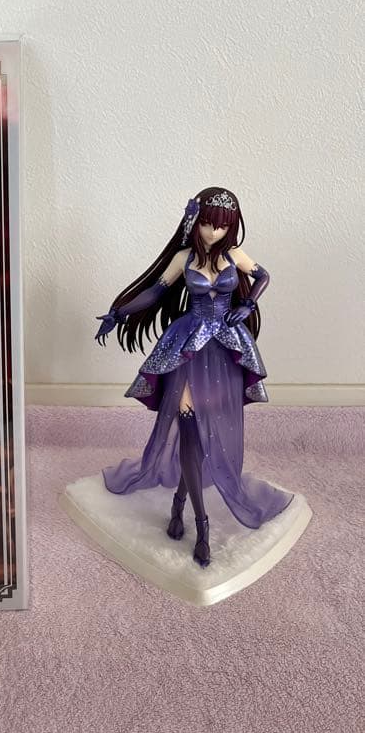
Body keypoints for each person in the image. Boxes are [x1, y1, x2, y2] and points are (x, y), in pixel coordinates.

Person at [95, 187, 292, 567]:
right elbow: (155, 292)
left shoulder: (235, 255)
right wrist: (119, 313)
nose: (213, 232)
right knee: (189, 429)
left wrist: (249, 303)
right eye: (206, 223)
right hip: (188, 347)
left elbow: (263, 275)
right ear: (195, 222)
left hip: (226, 352)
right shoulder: (183, 258)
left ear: (230, 227)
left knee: (204, 438)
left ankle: (179, 501)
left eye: (221, 226)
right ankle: (202, 526)